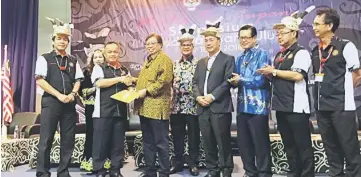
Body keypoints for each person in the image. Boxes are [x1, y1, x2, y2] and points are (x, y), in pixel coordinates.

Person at [258, 7, 316, 176]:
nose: (279, 36)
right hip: (281, 106)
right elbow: (279, 77)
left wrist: (273, 72)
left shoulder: (301, 52)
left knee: (303, 145)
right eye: (277, 34)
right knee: (289, 145)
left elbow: (298, 76)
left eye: (283, 33)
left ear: (294, 33)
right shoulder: (279, 55)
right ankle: (294, 173)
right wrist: (268, 74)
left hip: (297, 108)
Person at [311, 8, 361, 177]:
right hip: (321, 105)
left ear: (329, 25)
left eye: (318, 23)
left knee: (348, 145)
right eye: (314, 23)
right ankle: (335, 173)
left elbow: (357, 75)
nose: (314, 27)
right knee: (330, 146)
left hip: (341, 106)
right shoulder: (315, 51)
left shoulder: (346, 46)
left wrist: (344, 91)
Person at [35, 20, 84, 177]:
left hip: (69, 103)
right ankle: (42, 172)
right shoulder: (44, 58)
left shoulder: (73, 60)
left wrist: (72, 94)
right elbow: (40, 80)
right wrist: (59, 95)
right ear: (53, 40)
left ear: (68, 42)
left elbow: (78, 80)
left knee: (68, 139)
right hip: (51, 102)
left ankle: (63, 172)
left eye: (65, 39)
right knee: (46, 139)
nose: (62, 41)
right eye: (59, 38)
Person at [192, 17, 234, 177]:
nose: (208, 43)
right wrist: (198, 97)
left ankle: (226, 170)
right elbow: (195, 83)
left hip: (219, 107)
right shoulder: (201, 62)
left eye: (211, 40)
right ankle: (213, 169)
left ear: (218, 41)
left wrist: (212, 96)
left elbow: (228, 81)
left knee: (223, 142)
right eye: (206, 40)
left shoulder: (228, 59)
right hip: (202, 108)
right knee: (208, 141)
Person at [229, 25, 272, 177]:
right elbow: (237, 81)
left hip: (258, 107)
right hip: (242, 106)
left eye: (247, 37)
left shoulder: (262, 54)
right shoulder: (240, 57)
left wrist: (241, 79)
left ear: (254, 38)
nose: (244, 40)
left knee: (260, 143)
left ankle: (264, 172)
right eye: (241, 37)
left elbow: (260, 81)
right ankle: (250, 171)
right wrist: (234, 82)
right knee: (244, 143)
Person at [91, 41, 135, 177]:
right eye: (109, 51)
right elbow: (99, 83)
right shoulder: (99, 68)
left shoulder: (124, 69)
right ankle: (99, 170)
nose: (112, 54)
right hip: (103, 111)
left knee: (118, 144)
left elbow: (128, 85)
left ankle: (115, 170)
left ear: (119, 52)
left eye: (115, 51)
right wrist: (120, 79)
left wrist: (131, 89)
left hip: (120, 111)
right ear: (104, 52)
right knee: (100, 143)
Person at [135, 33, 174, 177]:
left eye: (153, 43)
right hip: (144, 108)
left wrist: (146, 90)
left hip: (158, 108)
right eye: (147, 44)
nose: (150, 46)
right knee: (148, 142)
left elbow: (164, 81)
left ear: (160, 45)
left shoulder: (164, 60)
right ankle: (150, 171)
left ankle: (164, 172)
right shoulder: (148, 60)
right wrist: (134, 82)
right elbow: (146, 80)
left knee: (161, 143)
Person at [170, 24, 200, 176]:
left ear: (193, 46)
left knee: (194, 136)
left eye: (189, 45)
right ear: (180, 47)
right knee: (177, 136)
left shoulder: (199, 64)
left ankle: (193, 163)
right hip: (176, 107)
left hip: (193, 106)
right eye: (183, 45)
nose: (186, 47)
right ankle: (178, 163)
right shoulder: (174, 64)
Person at [79, 49, 105, 173]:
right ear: (91, 59)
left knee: (104, 134)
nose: (98, 59)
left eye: (101, 57)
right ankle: (89, 160)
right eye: (96, 57)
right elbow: (82, 92)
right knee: (91, 133)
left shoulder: (108, 71)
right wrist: (97, 86)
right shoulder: (86, 73)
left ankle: (105, 161)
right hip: (91, 107)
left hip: (105, 107)